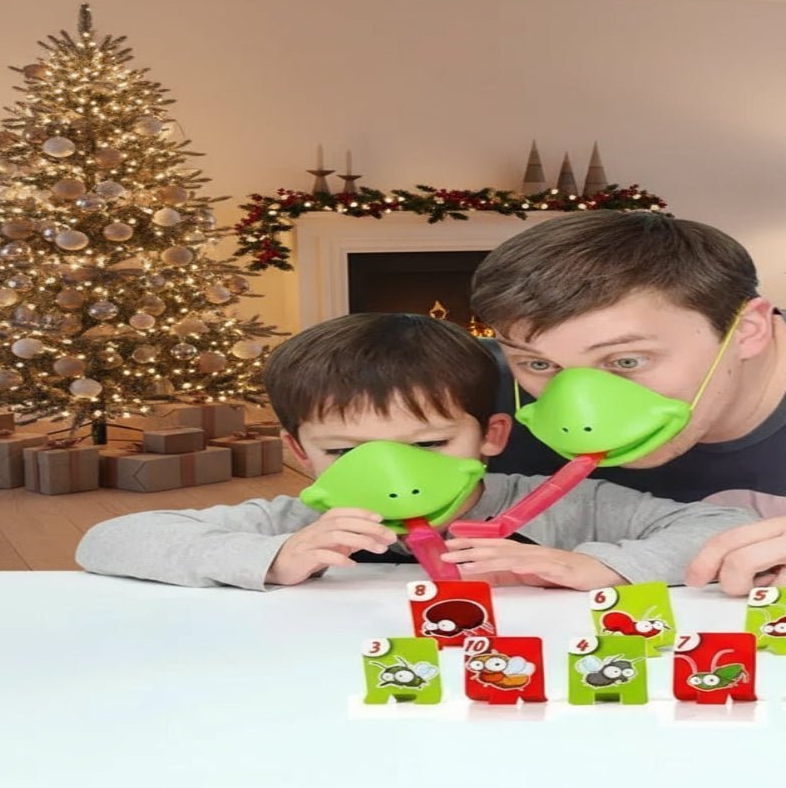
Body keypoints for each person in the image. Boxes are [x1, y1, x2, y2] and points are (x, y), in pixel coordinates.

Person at [76, 313, 757, 591]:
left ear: (491, 436)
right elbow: (107, 541)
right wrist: (275, 557)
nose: (393, 474)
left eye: (429, 444)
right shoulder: (302, 523)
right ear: (297, 451)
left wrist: (596, 565)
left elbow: (721, 527)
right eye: (345, 451)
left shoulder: (572, 508)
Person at [470, 210, 786, 594]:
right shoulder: (465, 398)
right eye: (538, 364)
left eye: (626, 361)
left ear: (748, 331)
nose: (582, 412)